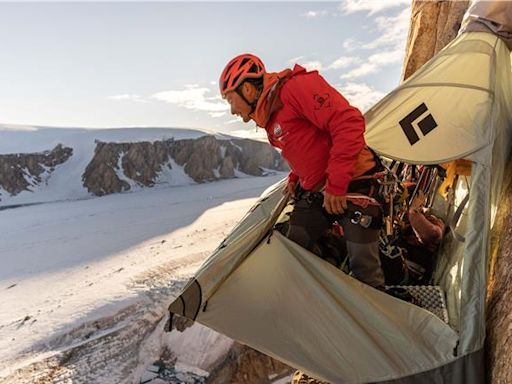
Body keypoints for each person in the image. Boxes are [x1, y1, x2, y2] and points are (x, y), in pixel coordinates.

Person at [219, 53, 385, 289]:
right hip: (322, 191)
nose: (232, 110)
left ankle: (374, 319)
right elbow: (307, 145)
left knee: (364, 270)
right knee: (291, 245)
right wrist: (297, 175)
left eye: (229, 100)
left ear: (246, 90)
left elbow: (348, 123)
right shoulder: (270, 113)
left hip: (355, 183)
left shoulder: (295, 89)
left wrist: (337, 184)